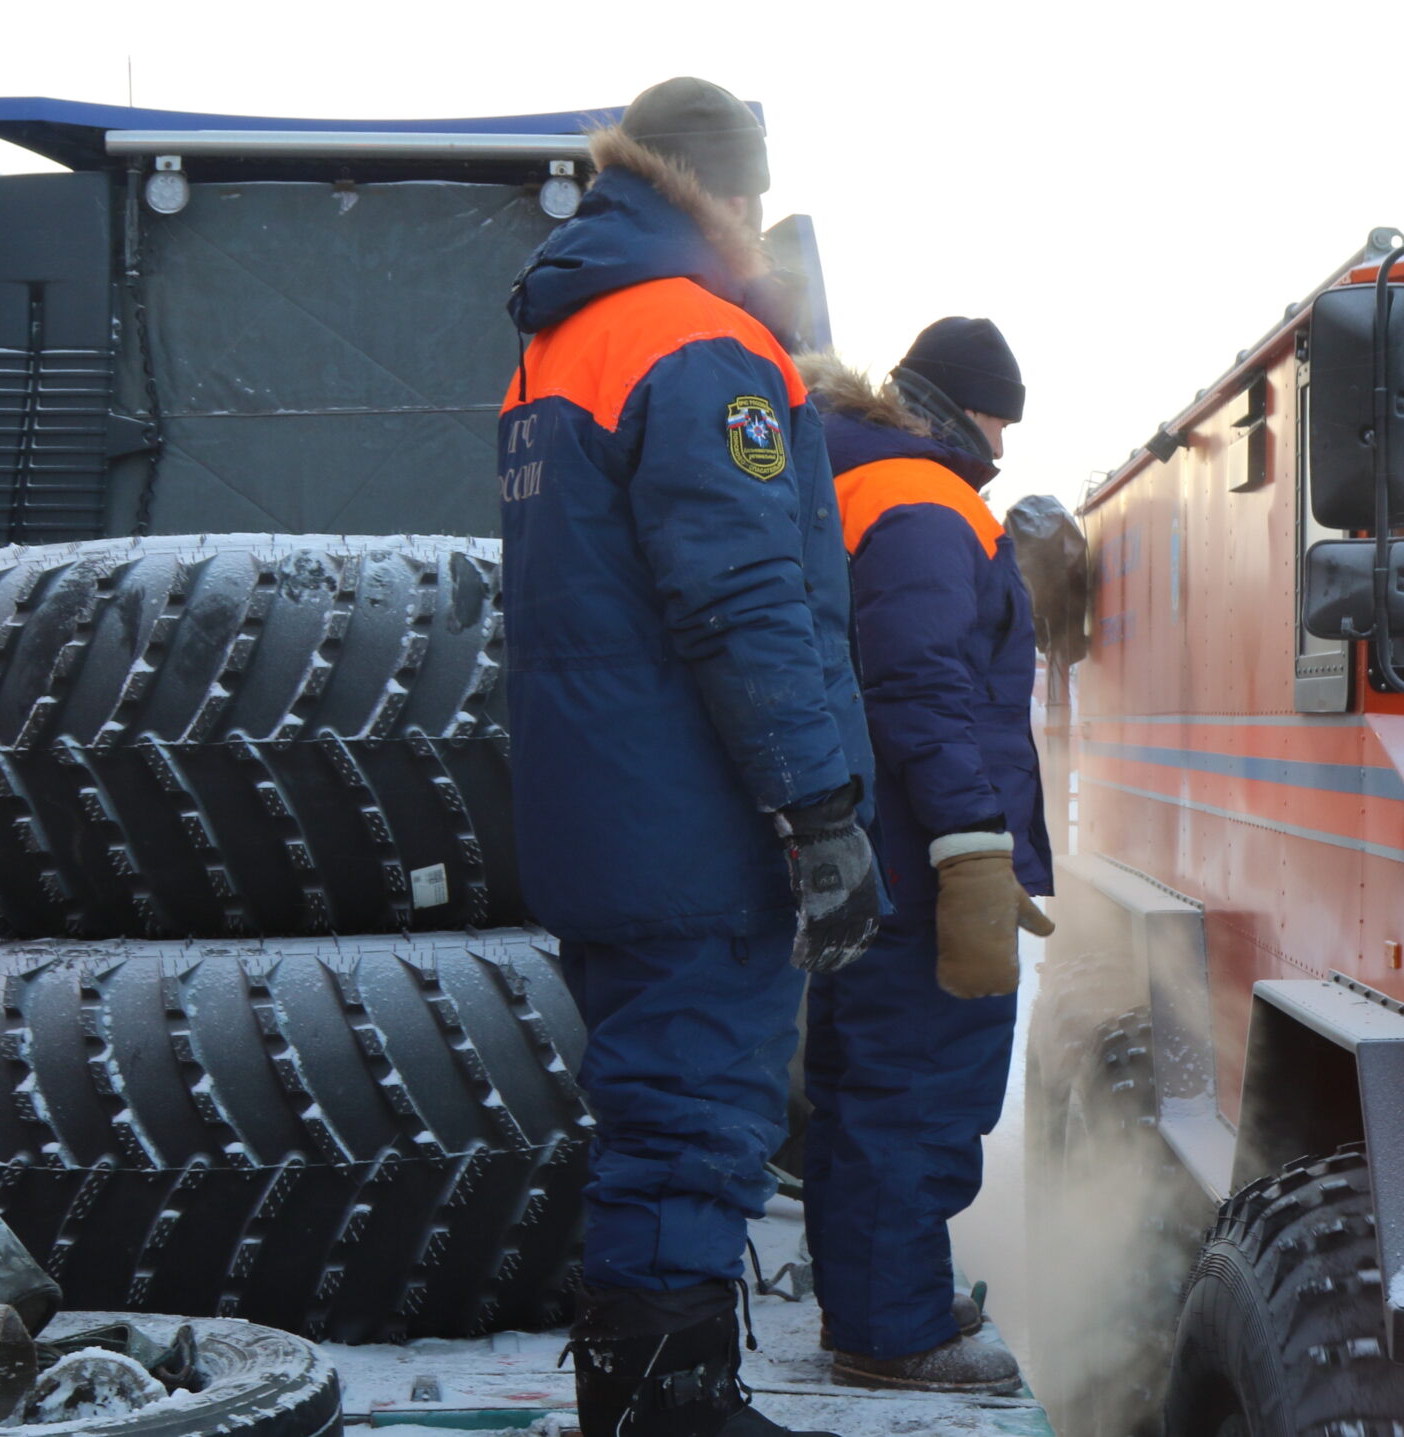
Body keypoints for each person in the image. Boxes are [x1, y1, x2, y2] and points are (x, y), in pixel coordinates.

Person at [497, 76, 879, 1437]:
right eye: (759, 196)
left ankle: (664, 1400)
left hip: (603, 805)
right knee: (693, 1122)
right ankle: (668, 1415)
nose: (764, 225)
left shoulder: (563, 335)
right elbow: (742, 602)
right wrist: (820, 803)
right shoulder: (699, 341)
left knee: (658, 1107)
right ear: (723, 187)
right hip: (690, 821)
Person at [796, 320, 1053, 1395]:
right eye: (1000, 417)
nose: (1002, 441)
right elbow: (921, 687)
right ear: (959, 408)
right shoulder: (922, 497)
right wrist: (972, 850)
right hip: (916, 854)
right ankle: (890, 1332)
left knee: (865, 1080)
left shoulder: (855, 477)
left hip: (867, 846)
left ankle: (877, 1293)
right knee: (923, 1086)